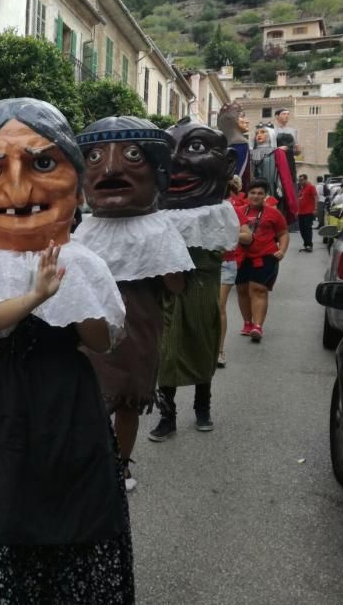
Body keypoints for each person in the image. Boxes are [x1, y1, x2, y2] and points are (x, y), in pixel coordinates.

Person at [0, 98, 133, 603]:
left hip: (69, 395)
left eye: (43, 163)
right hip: (4, 392)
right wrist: (37, 295)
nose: (19, 190)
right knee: (0, 496)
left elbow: (100, 341)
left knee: (72, 498)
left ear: (75, 179)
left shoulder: (84, 260)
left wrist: (75, 294)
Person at [73, 116, 192, 493]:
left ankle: (121, 466)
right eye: (94, 157)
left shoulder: (159, 227)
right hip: (87, 328)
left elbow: (175, 286)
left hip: (138, 328)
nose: (110, 168)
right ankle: (89, 462)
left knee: (129, 399)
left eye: (131, 155)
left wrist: (162, 252)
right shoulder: (84, 228)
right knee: (87, 399)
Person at [150, 119, 240, 441]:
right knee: (167, 350)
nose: (174, 160)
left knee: (202, 342)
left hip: (202, 282)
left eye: (196, 148)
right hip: (165, 286)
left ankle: (203, 406)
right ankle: (167, 414)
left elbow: (219, 251)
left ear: (227, 165)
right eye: (166, 151)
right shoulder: (157, 214)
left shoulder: (216, 214)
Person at [236, 179, 290, 342]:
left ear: (265, 196)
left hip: (265, 256)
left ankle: (257, 326)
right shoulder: (238, 211)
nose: (256, 196)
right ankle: (247, 323)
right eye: (253, 193)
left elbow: (283, 233)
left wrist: (282, 250)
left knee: (258, 289)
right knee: (243, 290)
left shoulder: (274, 213)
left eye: (260, 193)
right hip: (241, 256)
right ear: (247, 194)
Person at [218, 176, 251, 369]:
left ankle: (219, 350)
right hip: (201, 265)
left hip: (226, 263)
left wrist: (229, 233)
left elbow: (247, 236)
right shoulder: (200, 210)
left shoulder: (234, 210)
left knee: (218, 306)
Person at [297, 173, 317, 252]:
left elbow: (315, 197)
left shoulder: (311, 187)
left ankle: (309, 245)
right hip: (301, 213)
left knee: (307, 229)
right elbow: (299, 200)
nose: (300, 182)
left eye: (301, 180)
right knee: (302, 229)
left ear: (306, 179)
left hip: (308, 212)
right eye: (299, 180)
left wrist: (315, 208)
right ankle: (306, 244)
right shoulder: (302, 189)